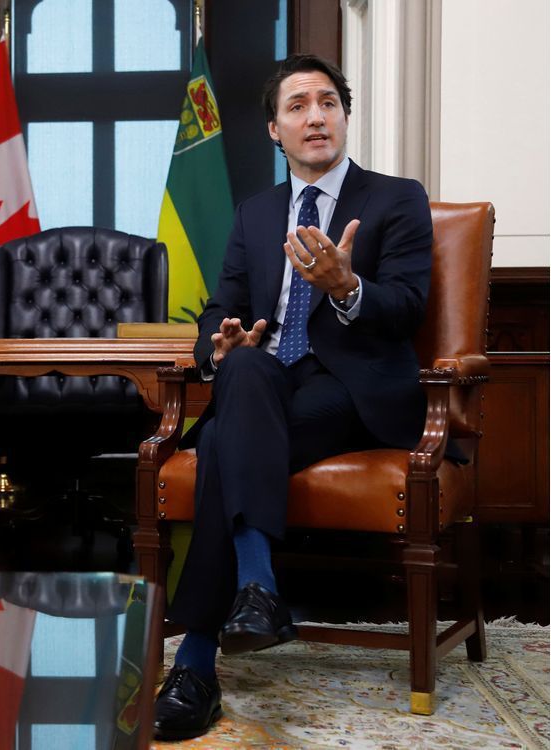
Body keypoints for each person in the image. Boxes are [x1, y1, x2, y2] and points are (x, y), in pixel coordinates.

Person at [153, 54, 434, 741]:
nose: (317, 116)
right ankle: (257, 592)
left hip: (352, 392)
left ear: (344, 115)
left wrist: (348, 287)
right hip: (267, 383)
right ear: (274, 130)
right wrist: (214, 344)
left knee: (220, 439)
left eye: (329, 102)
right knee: (243, 371)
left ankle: (196, 659)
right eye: (299, 105)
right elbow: (221, 304)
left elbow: (408, 307)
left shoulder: (396, 198)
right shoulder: (254, 214)